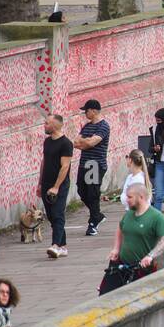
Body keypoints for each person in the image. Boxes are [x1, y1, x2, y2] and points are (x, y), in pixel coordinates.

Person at [101, 183, 164, 296]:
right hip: (120, 265)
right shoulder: (128, 214)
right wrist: (116, 249)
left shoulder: (156, 217)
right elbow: (120, 228)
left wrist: (150, 256)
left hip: (140, 268)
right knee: (105, 295)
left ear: (141, 197)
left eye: (130, 197)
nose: (127, 200)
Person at [72, 99, 109, 236]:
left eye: (86, 111)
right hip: (84, 163)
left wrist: (86, 142)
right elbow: (76, 142)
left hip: (95, 164)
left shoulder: (103, 126)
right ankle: (97, 215)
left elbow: (92, 142)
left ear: (93, 111)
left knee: (92, 194)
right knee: (82, 191)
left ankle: (93, 223)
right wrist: (85, 142)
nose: (85, 113)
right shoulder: (87, 126)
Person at [39, 113, 73, 259]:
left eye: (47, 123)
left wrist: (56, 187)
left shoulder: (66, 143)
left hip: (59, 185)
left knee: (58, 214)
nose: (44, 126)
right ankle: (63, 246)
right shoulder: (47, 142)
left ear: (55, 125)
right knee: (52, 216)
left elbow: (65, 166)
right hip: (46, 183)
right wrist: (40, 183)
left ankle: (55, 246)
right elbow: (44, 162)